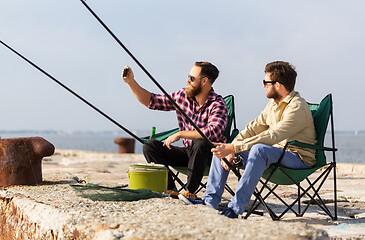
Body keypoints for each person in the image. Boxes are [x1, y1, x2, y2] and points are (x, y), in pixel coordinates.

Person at [179, 61, 317, 218]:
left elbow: (273, 136)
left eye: (266, 82)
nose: (263, 85)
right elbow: (253, 128)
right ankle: (210, 202)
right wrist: (231, 147)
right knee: (223, 148)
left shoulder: (297, 107)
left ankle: (235, 208)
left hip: (298, 158)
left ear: (278, 85)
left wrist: (235, 149)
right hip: (275, 154)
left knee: (258, 149)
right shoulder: (273, 104)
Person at [122, 61, 228, 199]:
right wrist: (131, 82)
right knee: (150, 145)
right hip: (188, 153)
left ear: (204, 81)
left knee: (200, 143)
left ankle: (189, 192)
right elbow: (152, 101)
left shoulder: (218, 104)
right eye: (188, 76)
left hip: (210, 156)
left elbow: (212, 132)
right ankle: (170, 189)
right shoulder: (182, 96)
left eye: (191, 78)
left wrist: (180, 134)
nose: (187, 80)